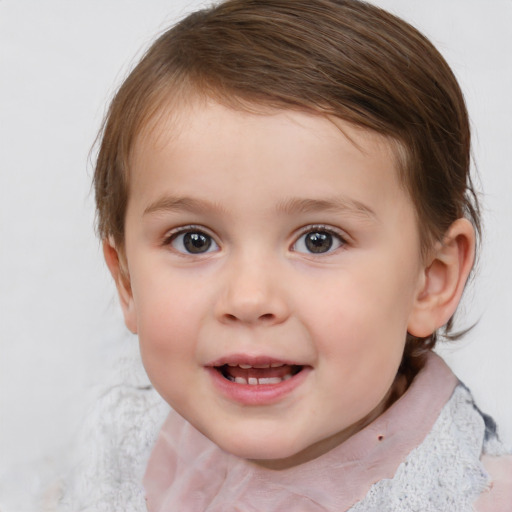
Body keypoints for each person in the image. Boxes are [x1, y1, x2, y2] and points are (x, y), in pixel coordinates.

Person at [58, 0, 512, 510]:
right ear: (127, 283)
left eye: (319, 240)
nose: (249, 298)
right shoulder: (120, 454)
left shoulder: (468, 495)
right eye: (195, 240)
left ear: (430, 279)